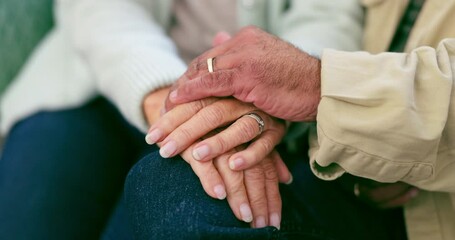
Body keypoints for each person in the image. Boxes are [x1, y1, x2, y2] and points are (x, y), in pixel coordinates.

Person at [0, 0, 363, 239]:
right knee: (29, 216)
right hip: (94, 81)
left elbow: (328, 17)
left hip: (248, 110)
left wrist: (277, 92)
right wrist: (169, 100)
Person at [155, 0, 455, 239]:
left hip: (428, 209)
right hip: (339, 166)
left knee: (175, 186)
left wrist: (314, 85)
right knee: (170, 177)